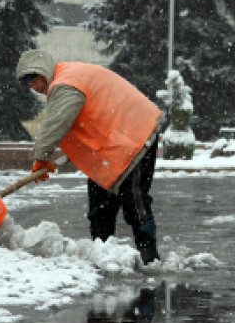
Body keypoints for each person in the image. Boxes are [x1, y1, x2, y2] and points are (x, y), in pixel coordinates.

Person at [15, 50, 165, 264]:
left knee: (134, 202)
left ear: (45, 70)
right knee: (100, 208)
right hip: (110, 149)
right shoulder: (69, 77)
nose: (35, 87)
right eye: (29, 85)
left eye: (35, 79)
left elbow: (56, 124)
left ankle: (150, 257)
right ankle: (102, 255)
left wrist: (41, 155)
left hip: (133, 138)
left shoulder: (65, 84)